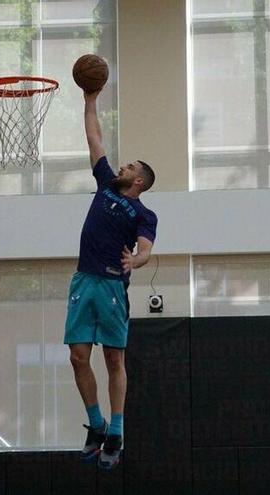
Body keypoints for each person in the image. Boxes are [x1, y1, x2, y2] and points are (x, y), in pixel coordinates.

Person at [65, 88, 157, 470]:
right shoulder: (104, 181)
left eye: (130, 167)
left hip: (111, 286)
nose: (123, 166)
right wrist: (90, 99)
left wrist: (135, 260)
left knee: (113, 359)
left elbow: (146, 249)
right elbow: (94, 137)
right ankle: (97, 424)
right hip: (83, 280)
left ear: (139, 181)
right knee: (76, 357)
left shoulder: (144, 214)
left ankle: (116, 430)